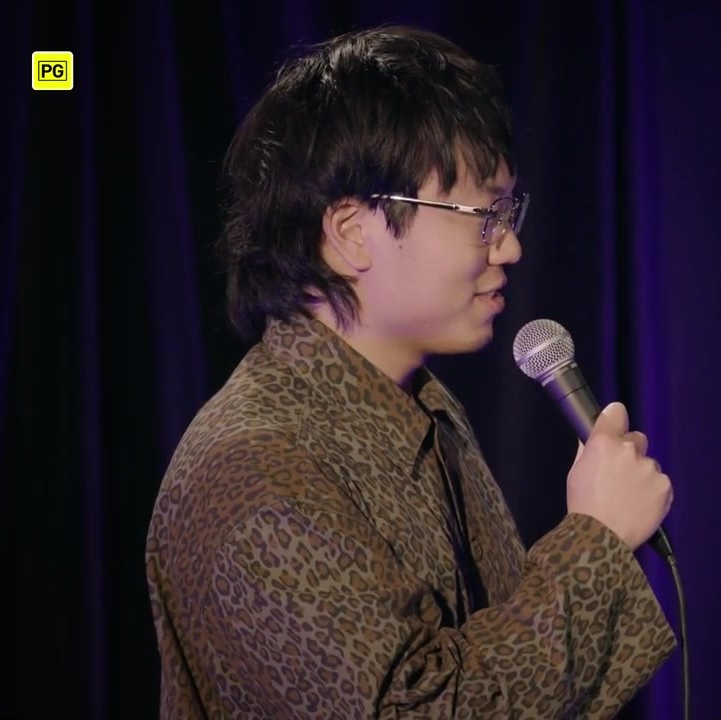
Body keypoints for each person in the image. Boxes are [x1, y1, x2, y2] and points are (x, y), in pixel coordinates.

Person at [144, 24, 677, 720]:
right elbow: (415, 708)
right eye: (483, 214)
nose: (509, 247)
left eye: (508, 212)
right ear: (351, 233)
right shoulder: (251, 466)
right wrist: (595, 541)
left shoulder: (425, 410)